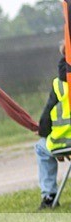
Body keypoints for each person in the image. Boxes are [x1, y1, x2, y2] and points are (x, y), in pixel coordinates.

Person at [35, 42, 71, 210]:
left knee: (41, 148)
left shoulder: (58, 84)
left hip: (61, 143)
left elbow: (46, 116)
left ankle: (49, 195)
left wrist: (42, 132)